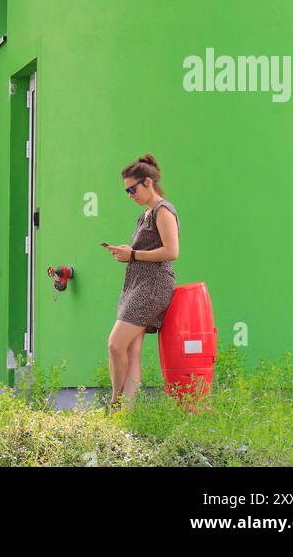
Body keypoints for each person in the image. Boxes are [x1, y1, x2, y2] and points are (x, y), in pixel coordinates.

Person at [103, 154, 180, 409]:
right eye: (126, 191)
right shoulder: (145, 214)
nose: (129, 195)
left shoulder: (162, 210)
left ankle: (115, 402)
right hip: (137, 284)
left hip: (153, 286)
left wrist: (134, 254)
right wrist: (127, 254)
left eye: (132, 189)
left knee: (116, 344)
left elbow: (172, 251)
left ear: (148, 182)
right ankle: (128, 411)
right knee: (131, 351)